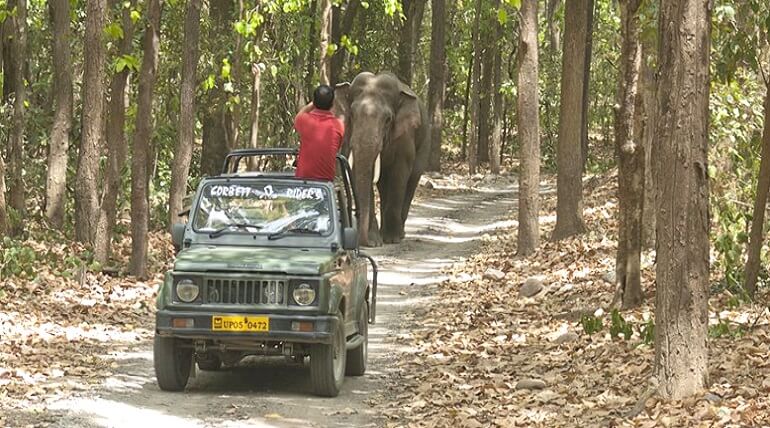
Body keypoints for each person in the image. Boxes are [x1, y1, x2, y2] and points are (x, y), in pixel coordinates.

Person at [294, 85, 345, 181]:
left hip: (303, 181)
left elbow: (300, 113)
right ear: (332, 103)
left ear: (314, 101)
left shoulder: (303, 120)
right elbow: (336, 148)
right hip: (326, 182)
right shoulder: (339, 125)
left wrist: (315, 102)